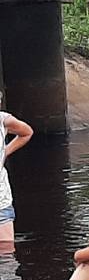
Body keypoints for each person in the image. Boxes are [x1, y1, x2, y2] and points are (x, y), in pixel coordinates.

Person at [0, 92, 35, 251]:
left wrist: (6, 151)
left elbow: (27, 132)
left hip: (1, 199)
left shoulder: (4, 120)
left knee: (6, 252)